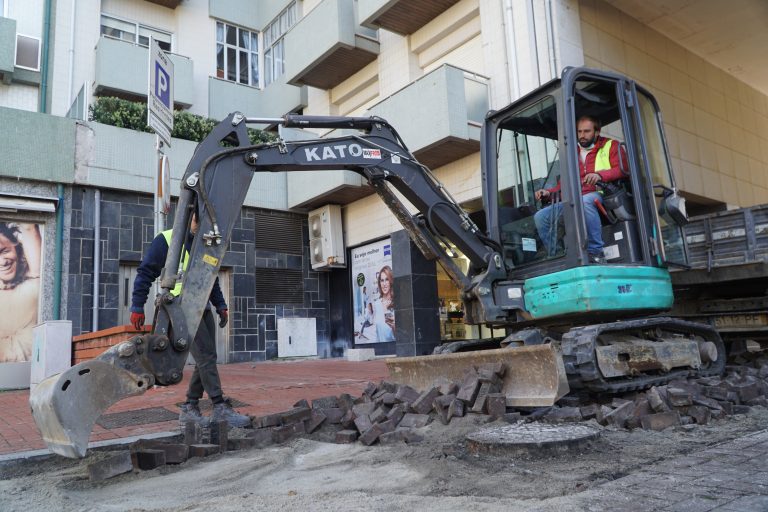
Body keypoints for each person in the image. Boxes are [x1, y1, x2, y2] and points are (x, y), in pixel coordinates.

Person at [130, 212, 250, 428]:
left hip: (201, 306)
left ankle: (190, 407)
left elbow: (210, 278)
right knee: (205, 357)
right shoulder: (166, 240)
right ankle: (219, 406)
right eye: (198, 220)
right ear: (189, 217)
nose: (201, 226)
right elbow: (145, 273)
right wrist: (138, 306)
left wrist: (220, 305)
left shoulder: (205, 244)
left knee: (207, 357)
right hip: (179, 308)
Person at [534, 115, 625, 263]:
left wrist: (600, 175)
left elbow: (622, 169)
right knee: (541, 217)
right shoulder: (571, 153)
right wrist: (548, 194)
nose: (582, 135)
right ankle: (556, 255)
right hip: (574, 199)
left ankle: (596, 252)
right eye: (579, 131)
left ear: (597, 132)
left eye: (587, 131)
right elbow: (562, 185)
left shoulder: (611, 146)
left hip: (602, 194)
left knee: (585, 201)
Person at [0, 222, 41, 363]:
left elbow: (29, 227)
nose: (2, 262)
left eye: (5, 251)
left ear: (16, 249)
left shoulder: (31, 287)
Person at [373, 265, 395, 342]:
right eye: (382, 280)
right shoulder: (376, 304)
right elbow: (376, 333)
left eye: (387, 280)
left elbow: (404, 336)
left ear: (391, 281)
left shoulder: (397, 303)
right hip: (380, 350)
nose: (384, 284)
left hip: (394, 349)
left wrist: (394, 327)